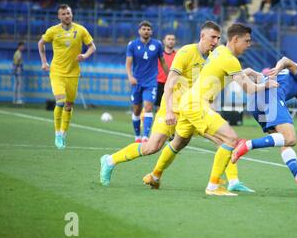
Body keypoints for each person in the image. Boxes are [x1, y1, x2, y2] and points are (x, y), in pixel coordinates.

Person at [100, 22, 254, 193]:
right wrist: (170, 110)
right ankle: (110, 160)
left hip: (194, 108)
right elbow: (170, 82)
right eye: (212, 37)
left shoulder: (215, 55)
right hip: (172, 108)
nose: (215, 41)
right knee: (152, 147)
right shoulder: (186, 52)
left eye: (218, 38)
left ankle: (231, 181)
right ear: (202, 36)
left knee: (218, 140)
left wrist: (246, 73)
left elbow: (227, 74)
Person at [143, 23, 279, 196]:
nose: (249, 45)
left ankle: (154, 176)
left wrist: (249, 72)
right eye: (247, 41)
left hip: (188, 102)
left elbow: (220, 73)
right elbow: (249, 89)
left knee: (179, 142)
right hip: (197, 104)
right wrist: (266, 83)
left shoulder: (219, 52)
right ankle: (214, 186)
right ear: (235, 39)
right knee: (230, 139)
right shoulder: (229, 59)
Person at [231, 57, 297, 197]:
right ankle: (247, 144)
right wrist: (278, 68)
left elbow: (262, 78)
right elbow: (286, 60)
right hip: (271, 95)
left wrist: (252, 73)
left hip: (255, 104)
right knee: (290, 139)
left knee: (282, 141)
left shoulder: (288, 84)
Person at [38, 4, 96, 149]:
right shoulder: (53, 31)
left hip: (73, 73)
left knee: (69, 105)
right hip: (57, 71)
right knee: (60, 101)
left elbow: (92, 46)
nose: (67, 16)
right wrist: (44, 62)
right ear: (59, 16)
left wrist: (85, 55)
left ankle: (63, 133)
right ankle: (57, 133)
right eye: (63, 14)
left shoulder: (80, 29)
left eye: (68, 13)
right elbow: (41, 43)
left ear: (72, 14)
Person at [126, 21, 168, 143]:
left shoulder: (157, 45)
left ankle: (145, 137)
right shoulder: (132, 45)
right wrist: (130, 77)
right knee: (137, 110)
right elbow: (128, 63)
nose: (146, 31)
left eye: (148, 29)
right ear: (139, 30)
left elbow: (163, 62)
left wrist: (170, 76)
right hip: (136, 82)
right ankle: (137, 136)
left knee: (148, 107)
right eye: (144, 29)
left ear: (151, 31)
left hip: (151, 82)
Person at [155, 33, 176, 109]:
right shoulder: (159, 55)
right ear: (164, 41)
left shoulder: (177, 55)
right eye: (169, 39)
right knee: (159, 106)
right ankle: (158, 121)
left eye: (173, 39)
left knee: (171, 106)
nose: (171, 41)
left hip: (172, 84)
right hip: (160, 83)